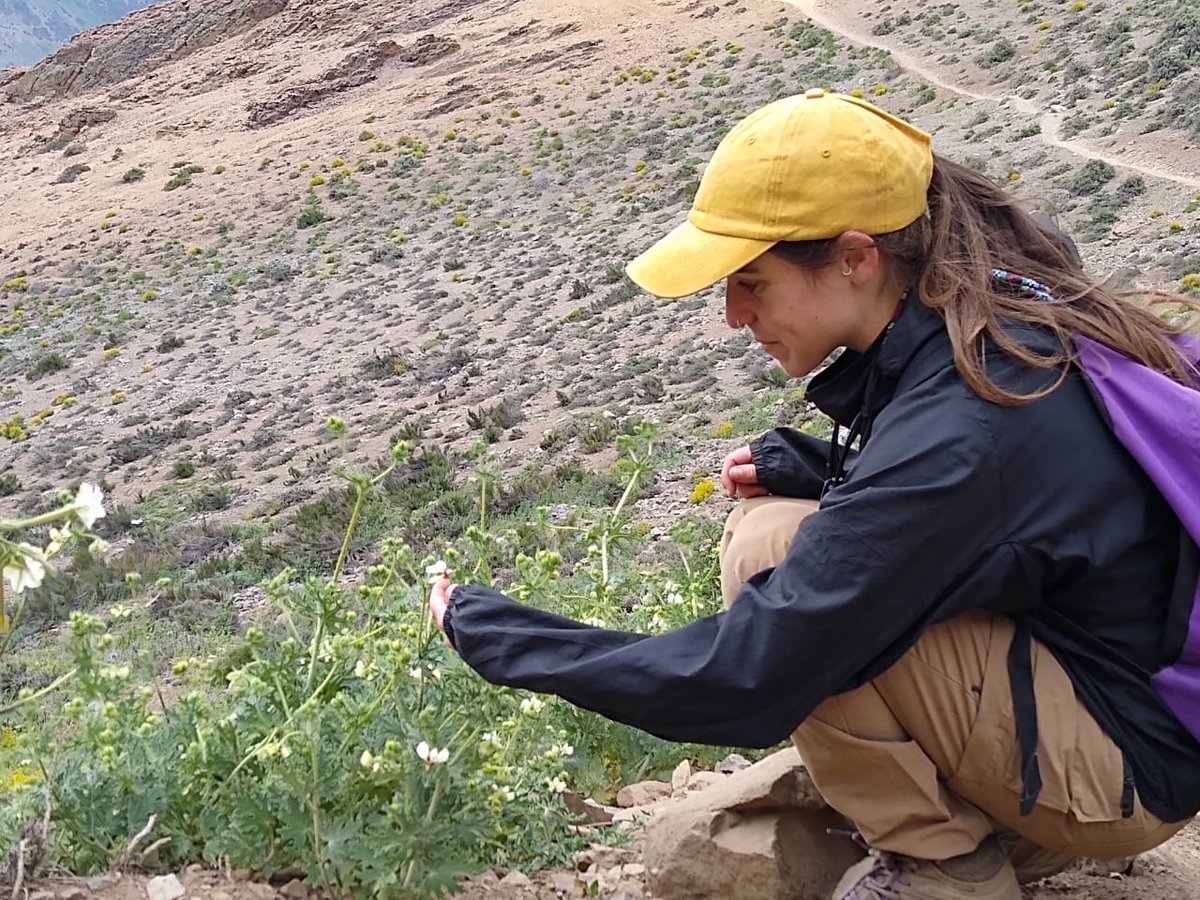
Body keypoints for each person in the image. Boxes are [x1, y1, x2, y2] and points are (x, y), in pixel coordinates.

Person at [428, 90, 1200, 899]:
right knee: (797, 533)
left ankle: (946, 868)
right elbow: (1000, 519)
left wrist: (510, 639)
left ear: (858, 258)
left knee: (772, 552)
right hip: (1126, 709)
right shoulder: (998, 306)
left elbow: (754, 672)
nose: (733, 315)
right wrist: (826, 471)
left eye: (752, 281)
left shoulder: (968, 428)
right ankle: (983, 824)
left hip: (1121, 775)